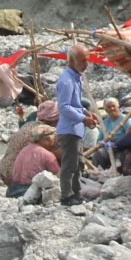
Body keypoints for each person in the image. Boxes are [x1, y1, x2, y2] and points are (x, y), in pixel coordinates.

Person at [53, 47, 93, 206]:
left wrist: (85, 112)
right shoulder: (67, 80)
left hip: (76, 129)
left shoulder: (76, 78)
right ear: (72, 61)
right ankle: (66, 195)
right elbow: (64, 106)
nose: (86, 64)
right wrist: (83, 118)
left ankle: (76, 192)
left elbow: (75, 103)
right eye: (83, 61)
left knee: (79, 163)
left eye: (87, 60)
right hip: (69, 129)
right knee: (70, 164)